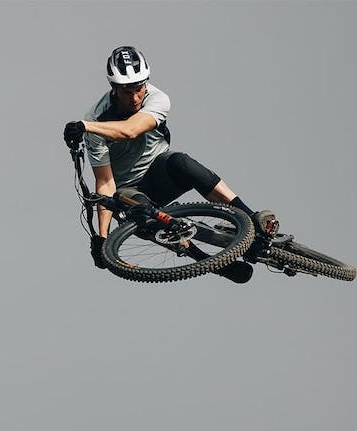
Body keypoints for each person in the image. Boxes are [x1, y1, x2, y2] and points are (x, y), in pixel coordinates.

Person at [64, 46, 278, 283]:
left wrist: (85, 126)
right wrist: (102, 239)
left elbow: (131, 130)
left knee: (182, 162)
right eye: (127, 92)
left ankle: (251, 217)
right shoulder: (97, 118)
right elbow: (105, 182)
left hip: (160, 171)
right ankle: (213, 263)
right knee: (142, 214)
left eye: (138, 89)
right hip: (129, 190)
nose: (135, 98)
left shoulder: (156, 99)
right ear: (114, 88)